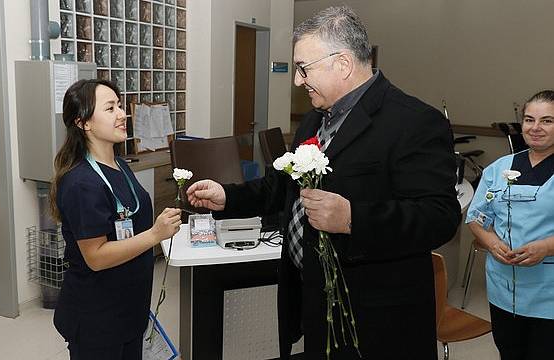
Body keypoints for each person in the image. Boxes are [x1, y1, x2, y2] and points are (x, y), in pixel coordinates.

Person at [186, 6, 460, 359]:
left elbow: (440, 216)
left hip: (374, 318)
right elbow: (282, 187)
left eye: (303, 68)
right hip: (312, 302)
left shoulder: (414, 122)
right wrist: (228, 197)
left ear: (343, 64)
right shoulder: (313, 121)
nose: (298, 81)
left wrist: (352, 219)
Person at [49, 79, 181, 359]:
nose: (122, 114)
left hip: (129, 310)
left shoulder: (119, 165)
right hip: (97, 318)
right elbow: (95, 257)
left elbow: (130, 218)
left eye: (119, 106)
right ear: (84, 123)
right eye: (110, 108)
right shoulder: (81, 183)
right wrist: (155, 235)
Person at [466, 90, 554, 359]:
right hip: (504, 288)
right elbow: (476, 217)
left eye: (547, 121)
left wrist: (547, 247)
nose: (536, 128)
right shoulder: (499, 168)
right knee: (509, 351)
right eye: (529, 120)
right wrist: (492, 243)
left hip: (548, 292)